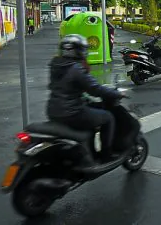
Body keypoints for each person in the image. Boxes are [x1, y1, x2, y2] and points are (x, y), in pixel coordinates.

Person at [46, 34, 124, 162]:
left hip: (53, 111)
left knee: (91, 117)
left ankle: (90, 153)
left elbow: (67, 89)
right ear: (78, 51)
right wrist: (116, 94)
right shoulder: (75, 68)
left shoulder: (55, 64)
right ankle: (106, 155)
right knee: (108, 118)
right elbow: (95, 89)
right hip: (71, 113)